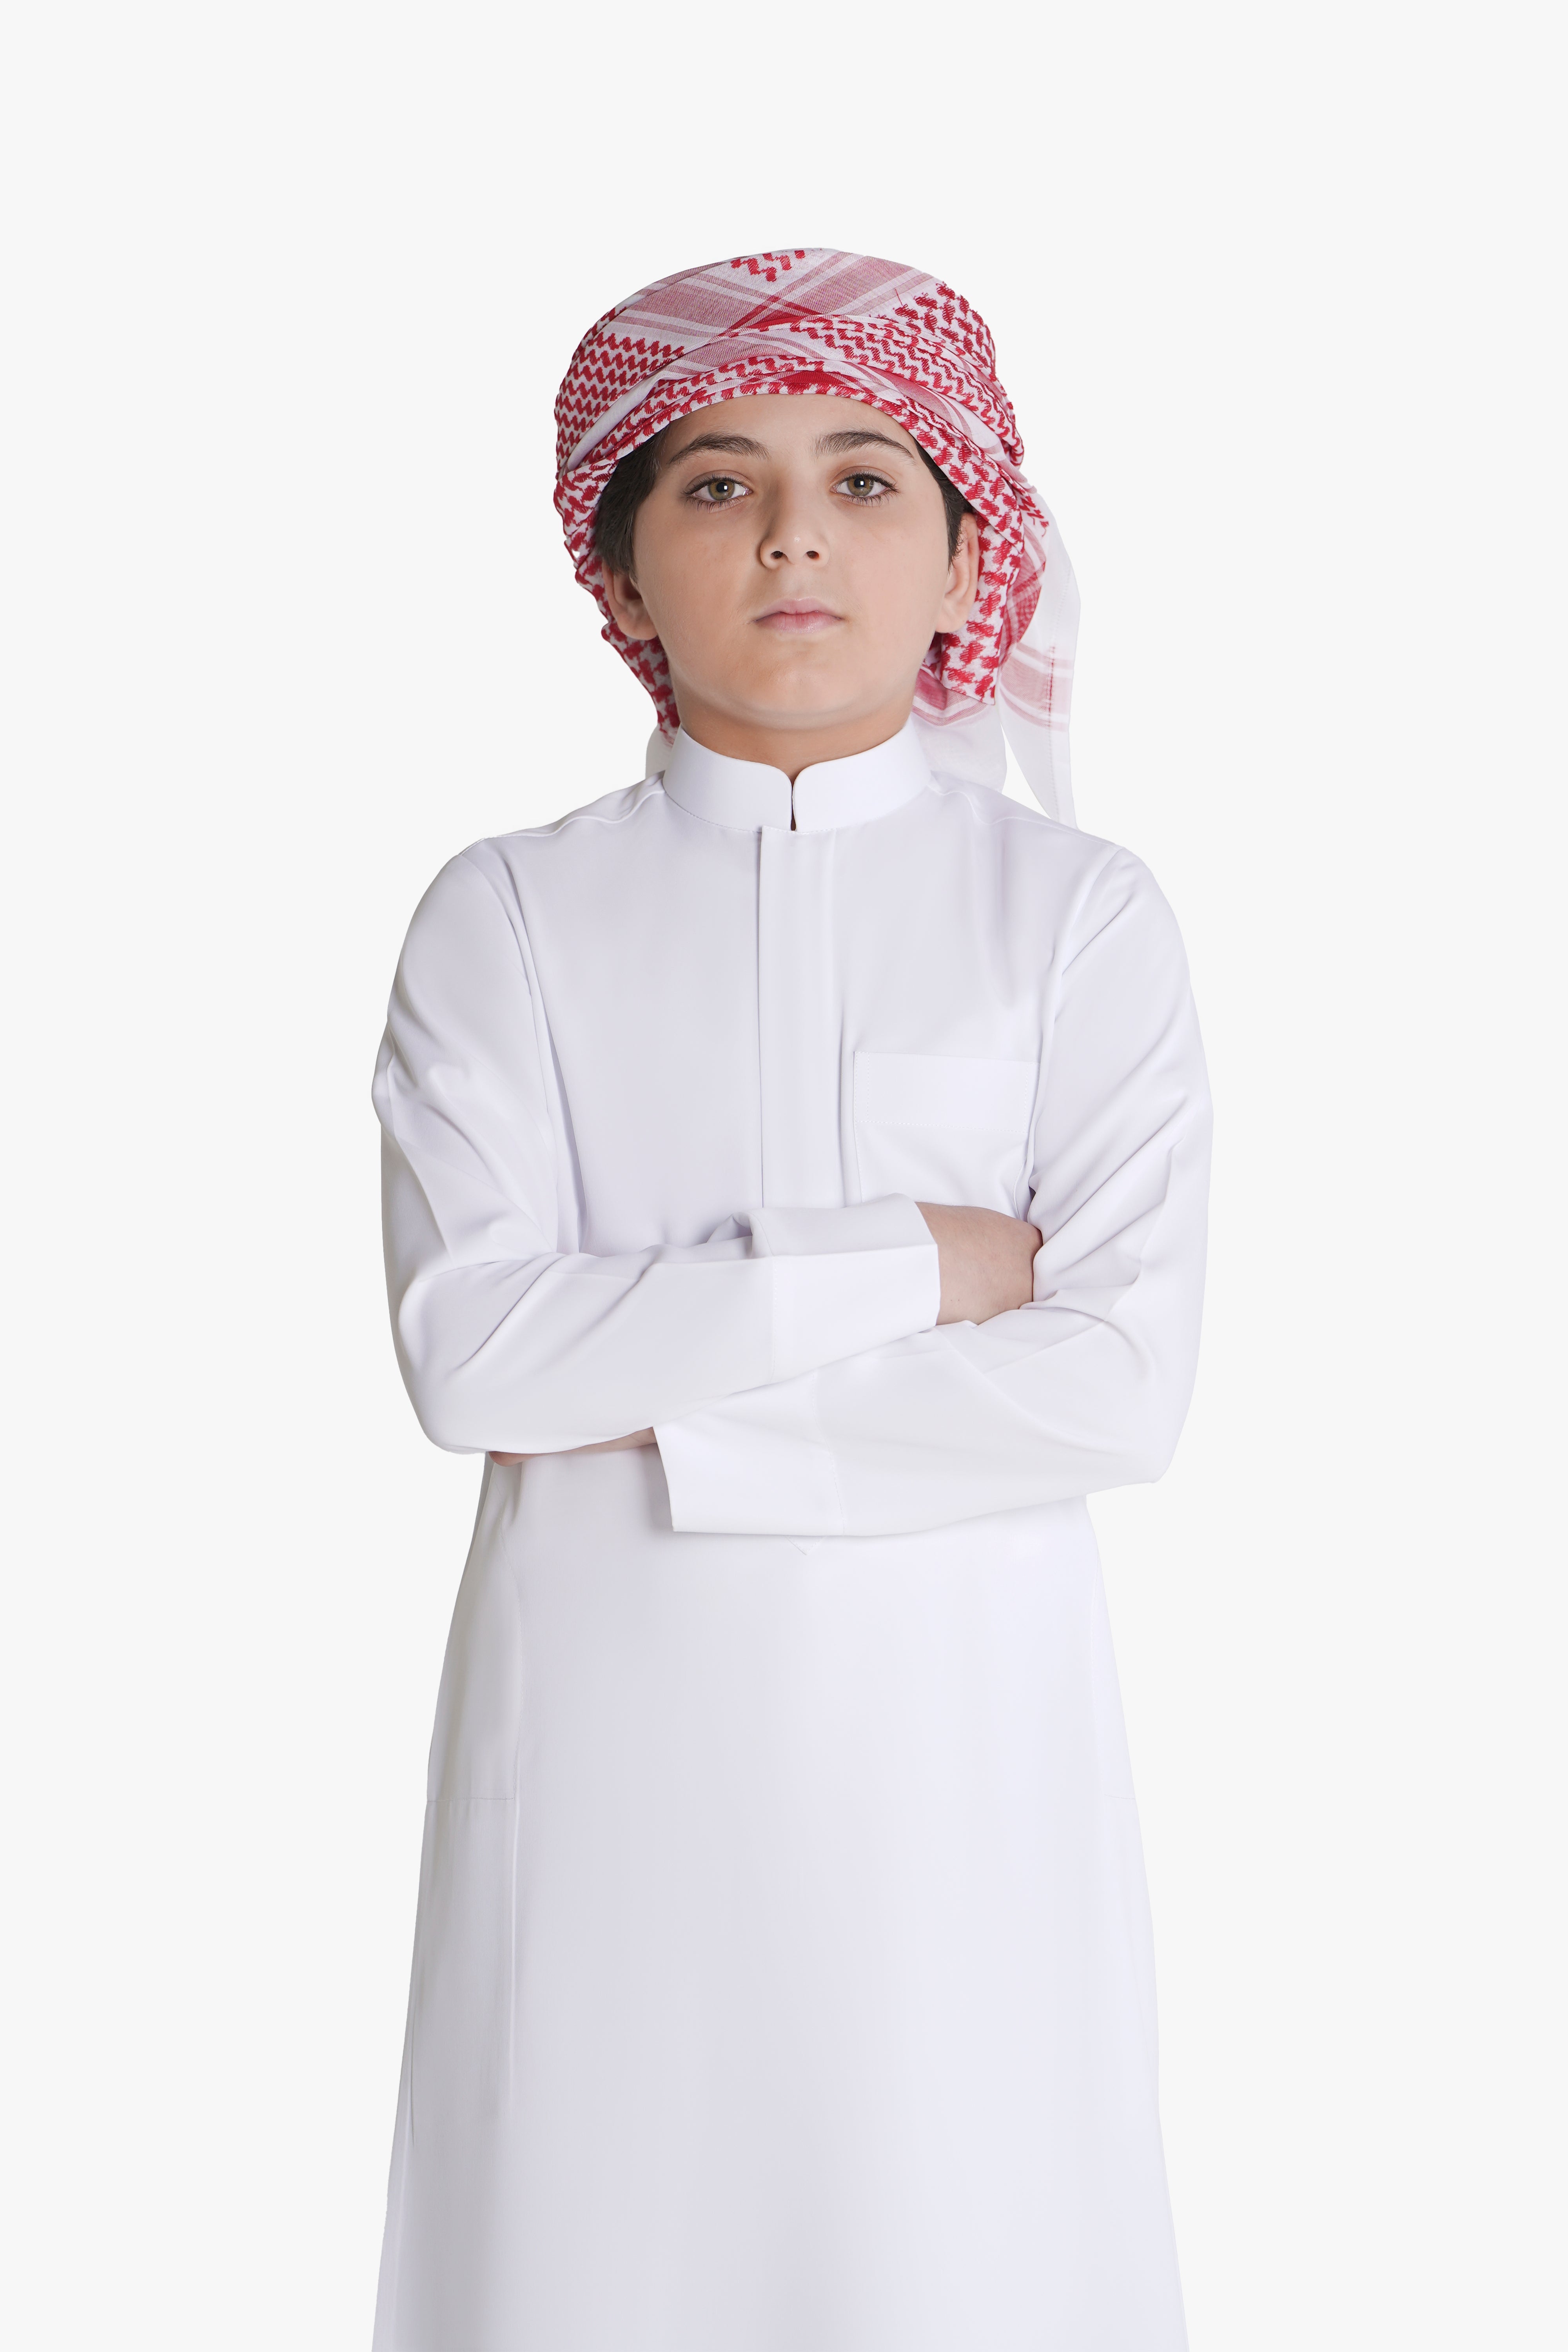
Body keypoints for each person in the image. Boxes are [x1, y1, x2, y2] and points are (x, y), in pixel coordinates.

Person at [369, 247, 1212, 2352]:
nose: (795, 537)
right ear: (621, 567)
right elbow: (473, 1358)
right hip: (605, 1747)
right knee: (589, 2253)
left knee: (973, 2245)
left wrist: (647, 1400)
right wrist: (918, 1263)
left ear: (967, 557)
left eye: (863, 477)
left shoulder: (1075, 919)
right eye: (721, 484)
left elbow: (1119, 1389)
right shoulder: (508, 915)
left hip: (967, 1756)